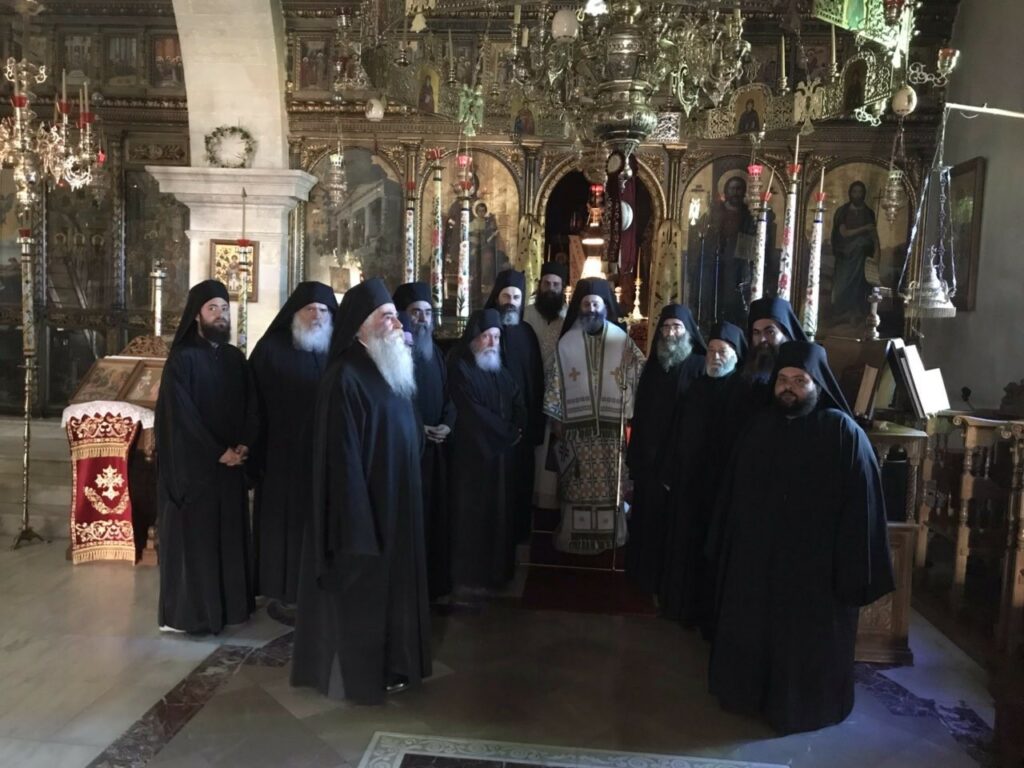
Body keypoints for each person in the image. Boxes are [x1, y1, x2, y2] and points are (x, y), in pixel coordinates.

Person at [708, 341, 893, 733]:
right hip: (757, 566)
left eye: (799, 380)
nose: (788, 388)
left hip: (815, 575)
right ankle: (748, 696)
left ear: (817, 384)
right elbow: (732, 495)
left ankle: (808, 707)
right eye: (783, 379)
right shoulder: (759, 426)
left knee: (804, 649)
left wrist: (848, 571)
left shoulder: (842, 433)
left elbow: (863, 510)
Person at [291, 279, 431, 705]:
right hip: (365, 512)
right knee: (366, 599)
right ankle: (366, 675)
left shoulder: (391, 367)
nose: (396, 324)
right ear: (359, 327)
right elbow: (342, 459)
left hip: (398, 502)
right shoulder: (346, 376)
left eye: (395, 316)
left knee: (398, 591)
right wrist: (357, 523)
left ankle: (397, 664)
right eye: (386, 317)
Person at [155, 279, 258, 634]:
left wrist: (245, 443)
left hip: (230, 470)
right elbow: (180, 417)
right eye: (213, 308)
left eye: (225, 309)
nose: (221, 315)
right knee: (197, 545)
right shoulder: (181, 361)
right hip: (196, 471)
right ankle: (194, 616)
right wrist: (218, 452)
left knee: (228, 540)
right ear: (197, 315)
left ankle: (230, 610)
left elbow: (251, 406)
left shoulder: (234, 359)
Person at [249, 281, 337, 614]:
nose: (317, 316)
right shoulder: (271, 348)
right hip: (281, 456)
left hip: (326, 457)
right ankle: (283, 592)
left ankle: (320, 588)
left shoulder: (337, 349)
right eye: (310, 309)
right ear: (295, 314)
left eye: (323, 310)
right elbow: (252, 403)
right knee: (284, 526)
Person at [543, 278, 645, 554]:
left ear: (604, 307)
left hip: (612, 432)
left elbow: (640, 372)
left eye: (596, 304)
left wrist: (629, 409)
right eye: (586, 304)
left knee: (611, 487)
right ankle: (573, 538)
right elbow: (554, 383)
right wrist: (557, 424)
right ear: (580, 307)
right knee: (576, 487)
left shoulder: (621, 340)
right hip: (576, 432)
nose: (590, 308)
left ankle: (612, 536)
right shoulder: (567, 344)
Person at [658, 321, 747, 631]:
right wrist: (670, 470)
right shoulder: (696, 386)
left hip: (719, 488)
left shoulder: (742, 393)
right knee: (684, 545)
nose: (715, 357)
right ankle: (681, 608)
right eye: (710, 351)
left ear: (736, 355)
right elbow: (677, 431)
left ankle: (708, 617)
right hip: (687, 483)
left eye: (722, 352)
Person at [624, 304, 706, 595]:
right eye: (667, 327)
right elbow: (641, 414)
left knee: (675, 525)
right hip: (649, 461)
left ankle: (668, 584)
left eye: (677, 327)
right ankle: (643, 576)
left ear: (687, 332)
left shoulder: (698, 364)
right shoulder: (654, 364)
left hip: (680, 461)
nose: (671, 333)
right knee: (647, 519)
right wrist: (636, 458)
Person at [447, 309, 525, 596]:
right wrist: (506, 434)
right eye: (486, 336)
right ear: (474, 339)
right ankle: (475, 574)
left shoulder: (500, 370)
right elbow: (471, 412)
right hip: (475, 458)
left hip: (502, 457)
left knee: (501, 515)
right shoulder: (460, 367)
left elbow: (518, 399)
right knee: (475, 516)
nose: (492, 342)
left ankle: (499, 572)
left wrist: (517, 427)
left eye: (495, 336)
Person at [393, 281, 457, 602]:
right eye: (415, 312)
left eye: (427, 313)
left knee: (434, 520)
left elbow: (449, 398)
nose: (422, 319)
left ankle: (433, 584)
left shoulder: (437, 356)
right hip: (409, 455)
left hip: (436, 453)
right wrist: (420, 429)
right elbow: (395, 404)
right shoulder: (393, 358)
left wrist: (447, 423)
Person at [484, 269, 545, 540]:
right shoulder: (484, 330)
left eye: (516, 296)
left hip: (521, 428)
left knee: (519, 483)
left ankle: (518, 536)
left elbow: (536, 381)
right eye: (506, 295)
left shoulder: (528, 334)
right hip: (491, 426)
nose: (510, 301)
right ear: (497, 298)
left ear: (522, 301)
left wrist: (533, 427)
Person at [523, 262, 570, 510]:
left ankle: (552, 504)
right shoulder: (527, 313)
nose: (551, 289)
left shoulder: (570, 317)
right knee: (533, 448)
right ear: (539, 285)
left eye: (556, 285)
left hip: (559, 394)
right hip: (529, 388)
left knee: (552, 447)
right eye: (546, 284)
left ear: (563, 288)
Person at [830, 180, 881, 323]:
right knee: (844, 284)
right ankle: (841, 312)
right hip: (846, 257)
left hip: (862, 259)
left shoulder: (869, 212)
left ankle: (857, 312)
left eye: (860, 192)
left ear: (864, 194)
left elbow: (873, 236)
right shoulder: (843, 211)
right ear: (850, 193)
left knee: (860, 285)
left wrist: (877, 252)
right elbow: (844, 233)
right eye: (854, 192)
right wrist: (864, 228)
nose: (857, 195)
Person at [744, 296, 808, 407]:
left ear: (786, 334)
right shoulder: (742, 377)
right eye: (756, 333)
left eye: (770, 332)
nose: (762, 339)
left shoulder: (804, 377)